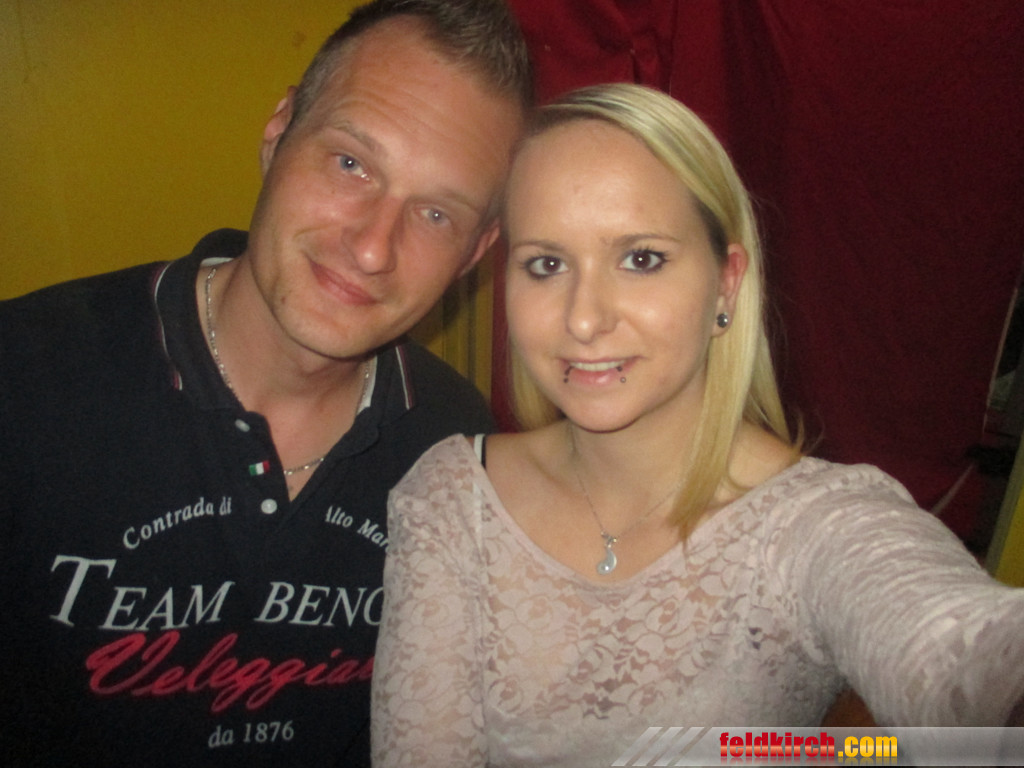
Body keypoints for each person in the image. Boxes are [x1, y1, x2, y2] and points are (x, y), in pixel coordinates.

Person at [370, 83, 1024, 766]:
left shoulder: (814, 526)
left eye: (641, 259)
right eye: (547, 264)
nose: (584, 319)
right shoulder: (453, 499)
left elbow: (959, 656)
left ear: (726, 281)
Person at [0, 1, 531, 765]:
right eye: (351, 163)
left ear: (476, 253)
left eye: (437, 214)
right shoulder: (26, 380)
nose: (373, 248)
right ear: (278, 133)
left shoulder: (455, 443)